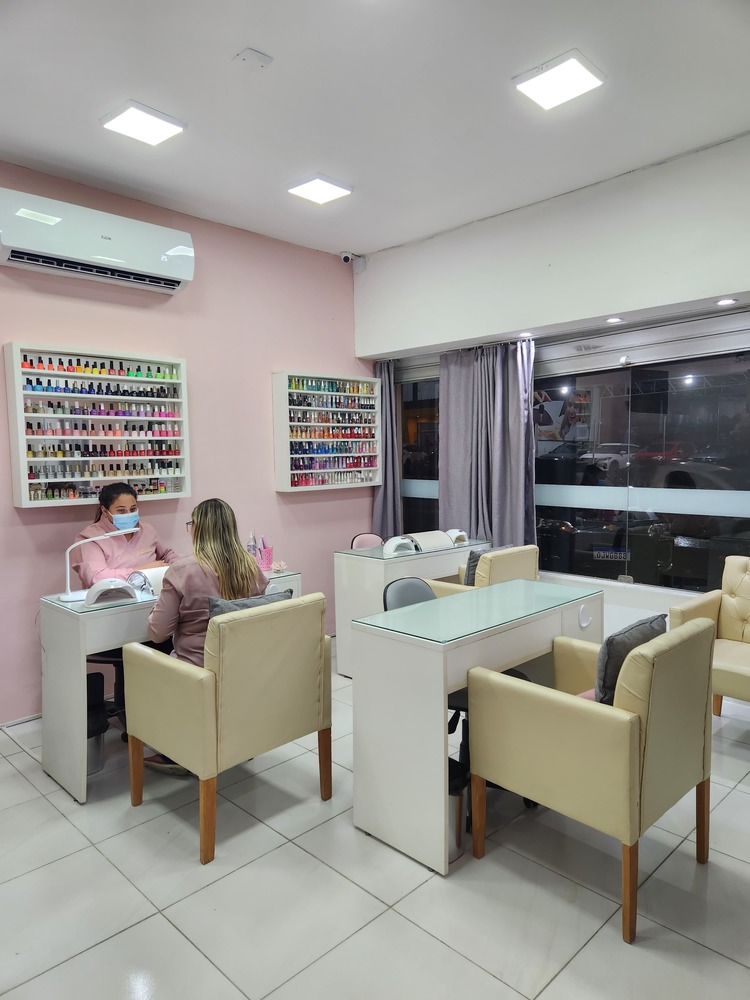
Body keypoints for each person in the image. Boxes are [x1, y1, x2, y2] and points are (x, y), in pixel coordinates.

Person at [148, 497, 268, 670]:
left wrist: (157, 606)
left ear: (197, 529)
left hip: (194, 671)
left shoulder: (182, 571)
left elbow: (157, 633)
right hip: (240, 667)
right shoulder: (250, 565)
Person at [72, 482, 178, 587]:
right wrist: (144, 571)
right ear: (104, 511)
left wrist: (177, 567)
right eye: (121, 511)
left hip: (153, 593)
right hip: (113, 595)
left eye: (133, 509)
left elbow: (167, 554)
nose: (128, 514)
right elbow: (96, 578)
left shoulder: (147, 530)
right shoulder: (90, 538)